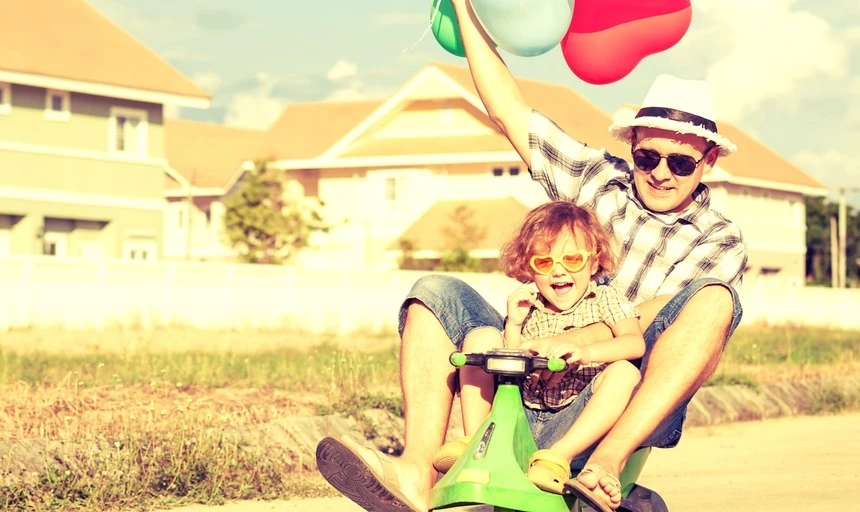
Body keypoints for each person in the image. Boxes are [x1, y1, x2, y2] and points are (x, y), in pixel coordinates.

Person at [315, 0, 746, 509]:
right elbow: (506, 109)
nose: (661, 171)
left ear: (709, 161)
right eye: (648, 155)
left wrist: (577, 338)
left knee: (715, 299)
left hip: (606, 397)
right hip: (521, 377)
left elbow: (662, 316)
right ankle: (418, 472)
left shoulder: (717, 238)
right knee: (434, 293)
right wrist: (465, 8)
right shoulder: (596, 178)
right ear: (631, 146)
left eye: (681, 160)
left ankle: (604, 467)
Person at [433, 200, 646, 496]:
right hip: (521, 414)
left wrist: (587, 353)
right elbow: (511, 367)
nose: (558, 272)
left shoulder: (606, 300)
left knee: (624, 372)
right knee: (482, 338)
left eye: (572, 260)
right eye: (544, 263)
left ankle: (558, 458)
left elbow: (634, 343)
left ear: (594, 262)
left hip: (573, 419)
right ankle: (477, 442)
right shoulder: (528, 307)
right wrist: (514, 326)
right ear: (529, 269)